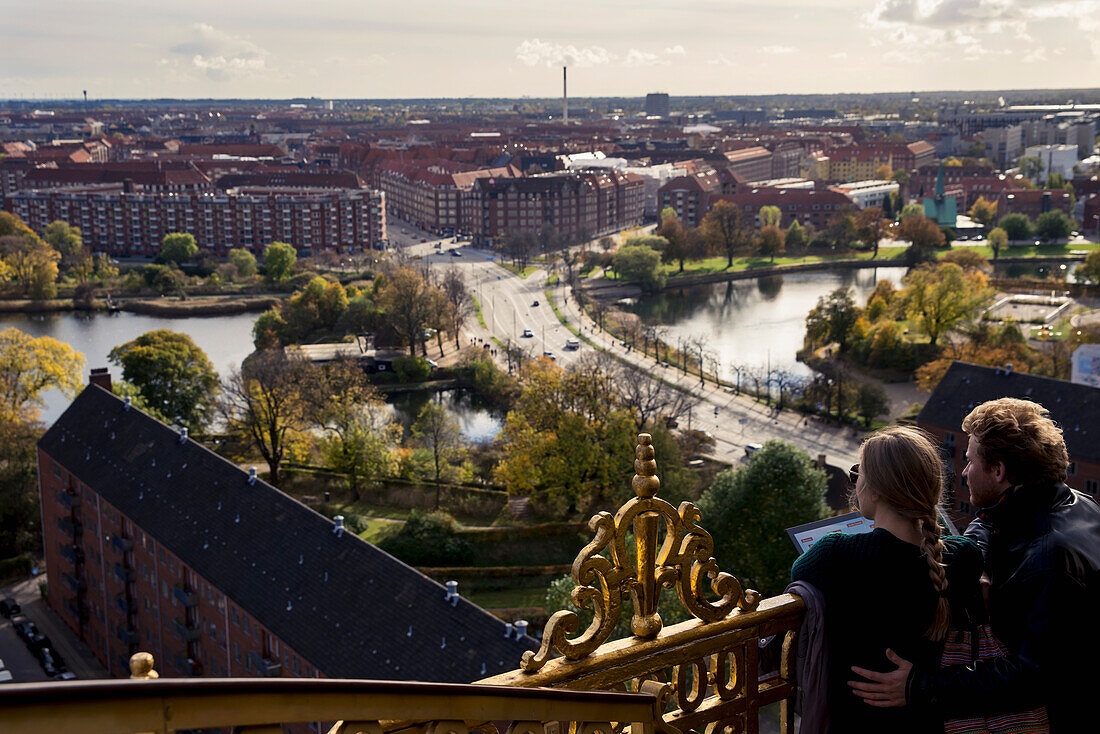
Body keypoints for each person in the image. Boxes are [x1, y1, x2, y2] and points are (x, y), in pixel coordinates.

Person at [849, 398, 1100, 732]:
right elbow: (990, 520)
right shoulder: (1074, 502)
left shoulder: (1050, 559)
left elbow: (1032, 675)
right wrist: (978, 557)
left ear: (998, 471)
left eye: (969, 461)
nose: (964, 472)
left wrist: (920, 687)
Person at [791, 426, 982, 733]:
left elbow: (798, 572)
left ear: (877, 489)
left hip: (855, 721)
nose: (856, 483)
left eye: (859, 474)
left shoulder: (835, 553)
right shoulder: (963, 557)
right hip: (927, 719)